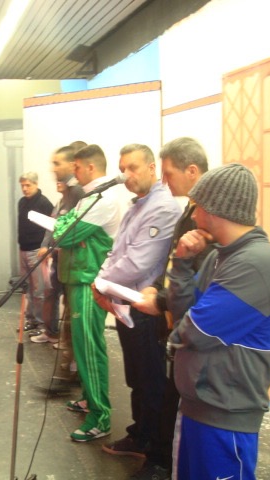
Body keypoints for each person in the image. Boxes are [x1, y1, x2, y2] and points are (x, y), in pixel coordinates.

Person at [168, 163, 270, 480]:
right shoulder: (218, 256)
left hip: (225, 417)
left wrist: (180, 330)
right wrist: (181, 262)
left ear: (213, 209)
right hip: (200, 405)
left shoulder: (257, 264)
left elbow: (193, 332)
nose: (193, 215)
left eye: (197, 206)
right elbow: (181, 316)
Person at [92, 144, 181, 458]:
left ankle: (154, 446)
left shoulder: (163, 208)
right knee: (136, 377)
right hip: (125, 304)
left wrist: (100, 283)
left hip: (145, 308)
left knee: (150, 379)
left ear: (152, 168)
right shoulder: (136, 206)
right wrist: (101, 279)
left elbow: (137, 263)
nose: (126, 175)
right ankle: (139, 434)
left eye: (132, 167)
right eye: (122, 169)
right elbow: (116, 252)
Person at [129, 137, 210, 479]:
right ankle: (162, 457)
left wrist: (161, 299)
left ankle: (163, 461)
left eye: (169, 173)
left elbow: (199, 274)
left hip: (189, 322)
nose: (164, 181)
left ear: (192, 171)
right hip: (173, 315)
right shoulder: (191, 209)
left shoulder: (205, 215)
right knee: (168, 395)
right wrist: (159, 291)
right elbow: (176, 262)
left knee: (175, 400)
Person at [53, 144, 120, 442]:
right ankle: (88, 399)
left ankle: (100, 416)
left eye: (77, 167)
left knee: (90, 349)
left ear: (91, 167)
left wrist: (64, 229)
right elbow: (63, 227)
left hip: (89, 282)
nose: (73, 172)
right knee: (81, 347)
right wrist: (65, 227)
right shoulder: (89, 198)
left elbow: (63, 233)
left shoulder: (103, 200)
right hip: (78, 278)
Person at [35, 145, 85, 360]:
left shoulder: (79, 192)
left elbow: (74, 230)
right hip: (63, 262)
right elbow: (56, 225)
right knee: (63, 304)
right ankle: (66, 349)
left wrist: (55, 245)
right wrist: (48, 246)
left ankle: (74, 359)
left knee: (74, 313)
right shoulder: (67, 195)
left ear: (72, 164)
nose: (53, 168)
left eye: (57, 163)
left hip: (77, 266)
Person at [17, 172, 54, 339]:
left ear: (36, 184)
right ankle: (31, 319)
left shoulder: (44, 203)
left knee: (39, 290)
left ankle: (40, 323)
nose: (25, 189)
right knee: (28, 289)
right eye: (22, 186)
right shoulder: (22, 202)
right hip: (23, 250)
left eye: (28, 185)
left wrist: (46, 248)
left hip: (36, 251)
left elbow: (51, 228)